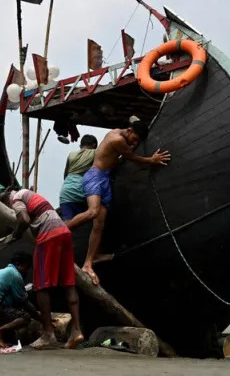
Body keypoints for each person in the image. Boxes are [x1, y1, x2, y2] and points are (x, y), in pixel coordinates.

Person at [65, 120, 170, 286]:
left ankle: (89, 262)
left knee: (99, 223)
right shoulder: (117, 139)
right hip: (95, 176)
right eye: (134, 139)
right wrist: (152, 159)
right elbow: (132, 157)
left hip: (105, 178)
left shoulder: (122, 135)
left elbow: (125, 152)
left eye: (137, 141)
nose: (135, 143)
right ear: (128, 130)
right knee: (93, 212)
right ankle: (60, 229)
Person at [2, 187, 83, 349]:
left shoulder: (16, 198)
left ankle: (48, 333)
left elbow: (23, 219)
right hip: (63, 232)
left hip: (48, 235)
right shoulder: (31, 195)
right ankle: (77, 331)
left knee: (40, 286)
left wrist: (15, 235)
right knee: (69, 283)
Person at [57, 135, 98, 221]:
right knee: (83, 225)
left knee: (68, 224)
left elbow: (65, 175)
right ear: (94, 145)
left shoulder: (71, 155)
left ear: (80, 146)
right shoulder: (94, 153)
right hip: (81, 192)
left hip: (65, 193)